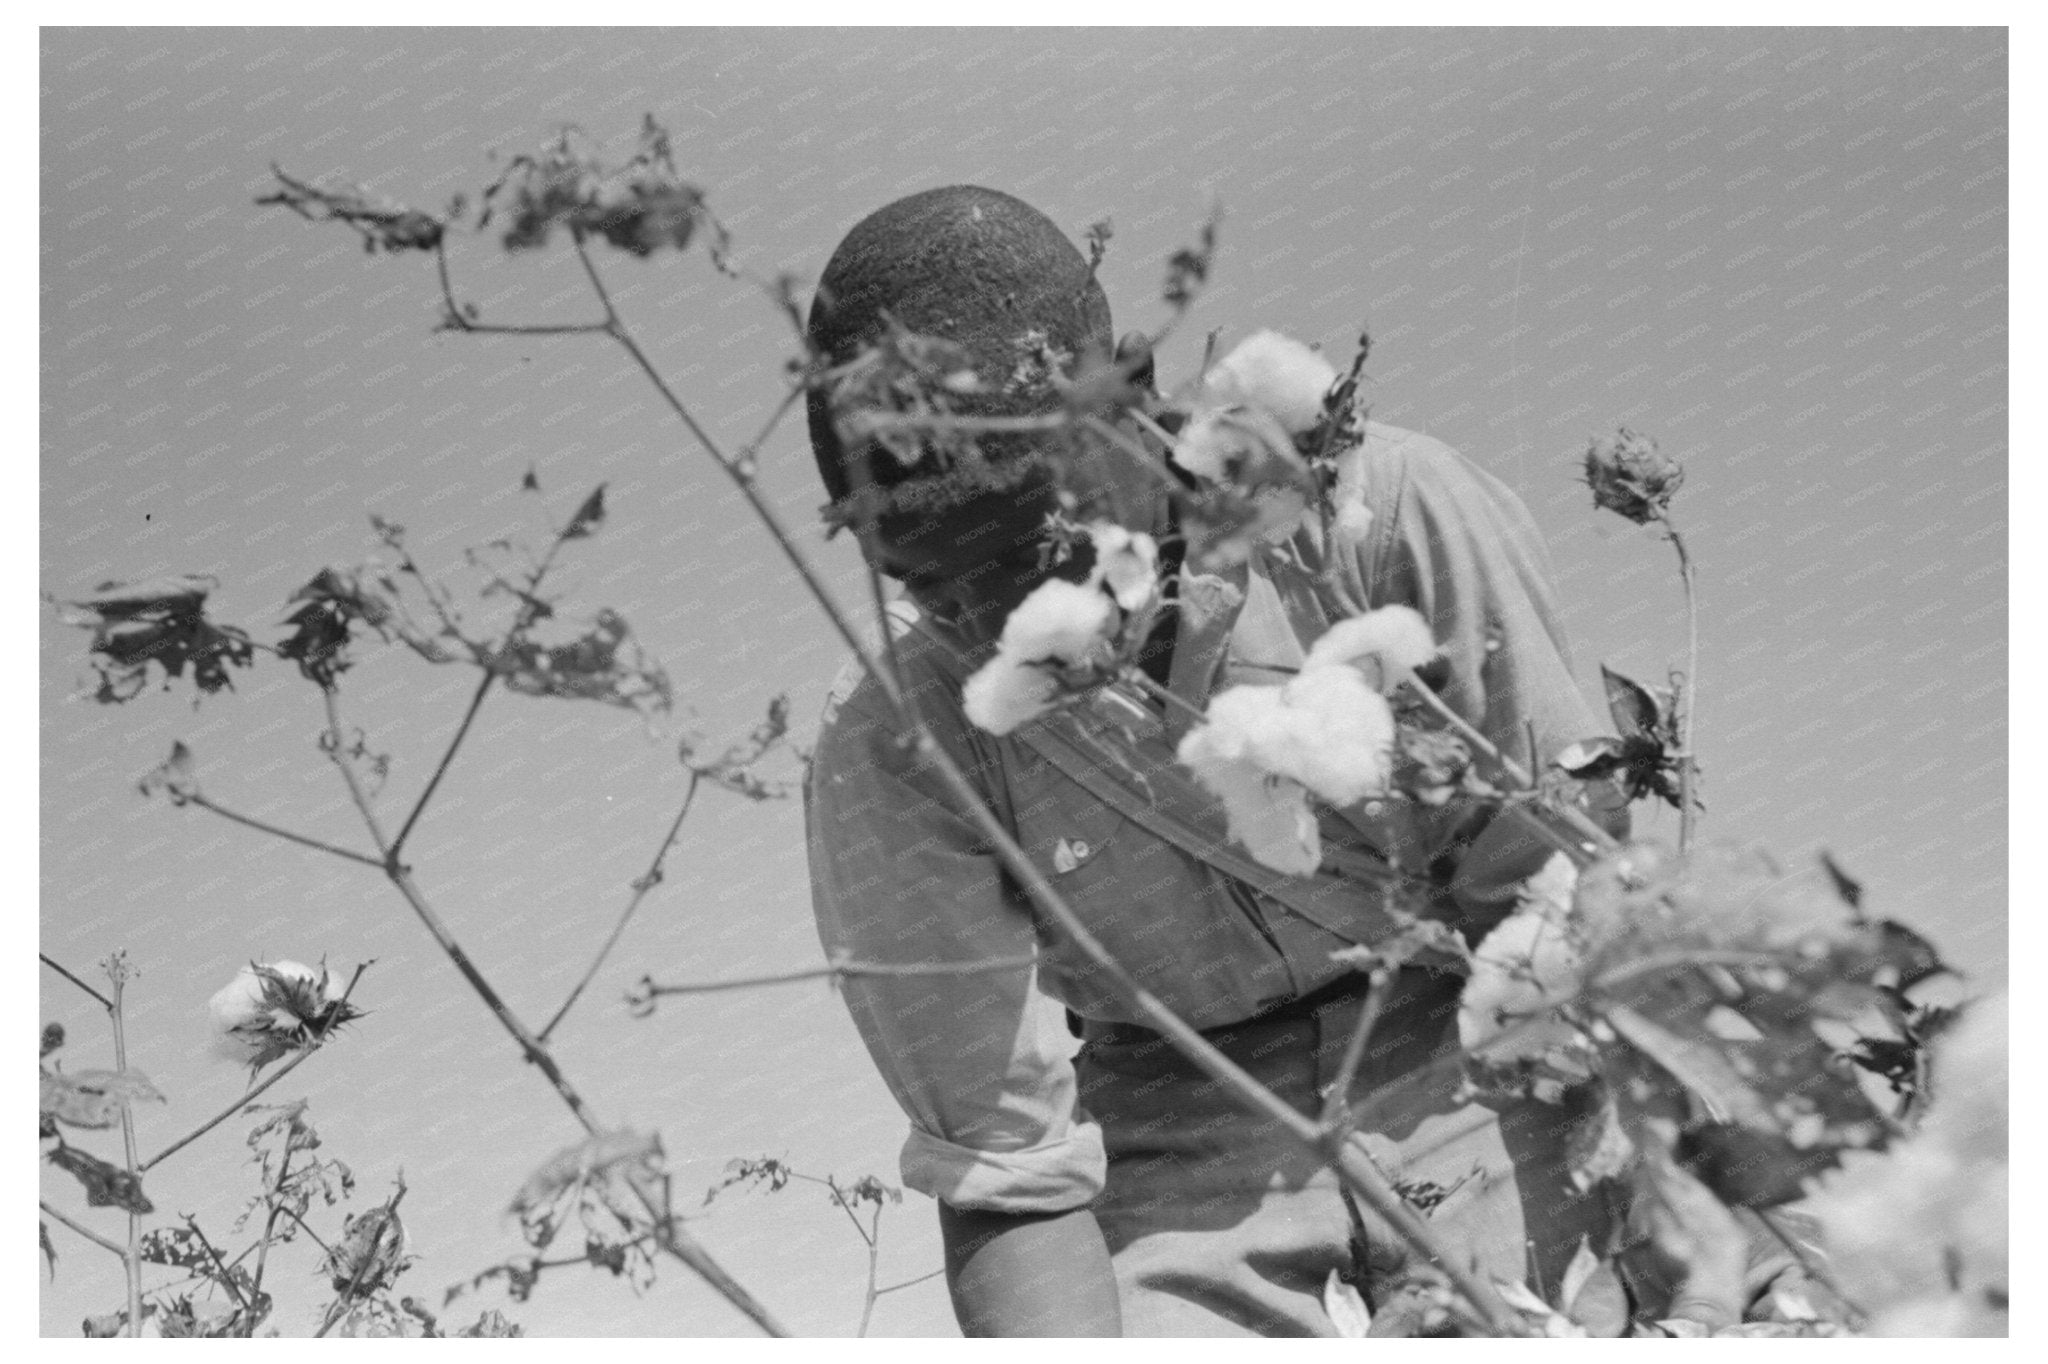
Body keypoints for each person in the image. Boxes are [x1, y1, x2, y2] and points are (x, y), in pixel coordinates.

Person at [801, 186, 1638, 1336]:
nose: (999, 623)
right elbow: (1005, 1167)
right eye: (928, 582)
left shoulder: (1386, 517)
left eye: (1028, 548)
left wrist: (1646, 1251)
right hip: (1165, 1121)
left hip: (1471, 1041)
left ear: (1130, 399)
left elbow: (1559, 910)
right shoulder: (896, 735)